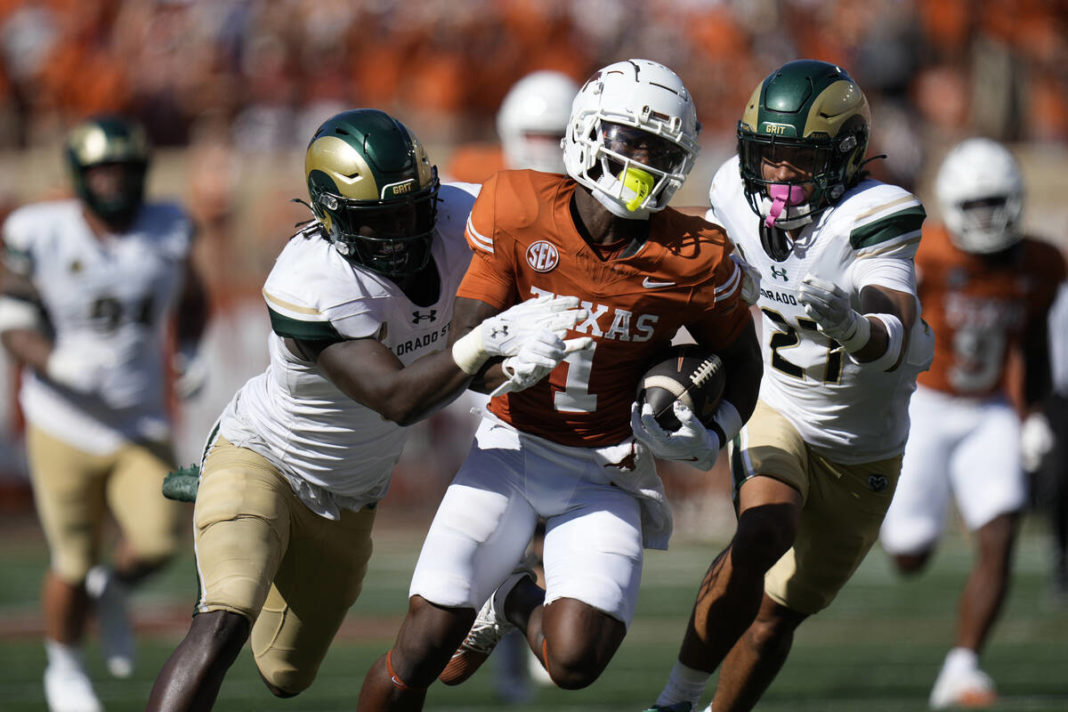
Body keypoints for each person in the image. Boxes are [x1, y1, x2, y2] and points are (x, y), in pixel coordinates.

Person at [144, 108, 587, 712]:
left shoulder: (467, 214)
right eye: (383, 220)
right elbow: (398, 398)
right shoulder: (311, 281)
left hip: (350, 496)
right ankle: (227, 500)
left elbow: (567, 224)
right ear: (332, 219)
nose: (406, 230)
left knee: (286, 675)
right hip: (267, 456)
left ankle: (496, 593)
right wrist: (489, 343)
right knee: (223, 619)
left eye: (414, 209)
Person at [356, 58, 763, 711]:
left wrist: (714, 431)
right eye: (630, 140)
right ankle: (494, 596)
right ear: (588, 132)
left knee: (575, 661)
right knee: (427, 644)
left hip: (605, 471)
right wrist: (510, 360)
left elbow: (742, 362)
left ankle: (512, 596)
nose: (641, 161)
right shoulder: (516, 206)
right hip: (511, 449)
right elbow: (467, 355)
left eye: (660, 149)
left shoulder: (696, 255)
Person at [644, 59, 935, 712]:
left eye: (796, 158)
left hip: (864, 447)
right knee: (762, 531)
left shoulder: (876, 212)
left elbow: (896, 322)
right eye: (766, 155)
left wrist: (855, 326)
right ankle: (674, 700)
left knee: (780, 614)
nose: (776, 173)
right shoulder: (730, 192)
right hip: (779, 407)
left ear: (844, 154)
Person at [0, 114, 210, 712]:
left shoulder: (170, 226)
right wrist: (56, 364)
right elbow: (12, 319)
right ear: (79, 175)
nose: (114, 182)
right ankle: (63, 668)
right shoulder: (39, 230)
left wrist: (190, 348)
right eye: (102, 171)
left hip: (138, 420)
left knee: (157, 543)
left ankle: (113, 590)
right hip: (61, 419)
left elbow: (193, 299)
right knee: (71, 557)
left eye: (124, 170)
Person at [878, 137, 1065, 709]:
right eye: (974, 204)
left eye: (994, 203)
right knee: (909, 552)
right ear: (954, 206)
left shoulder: (1041, 262)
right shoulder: (928, 255)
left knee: (1001, 529)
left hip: (988, 411)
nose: (986, 217)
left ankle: (963, 668)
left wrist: (1032, 411)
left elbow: (1032, 343)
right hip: (925, 406)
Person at [445, 69, 580, 184]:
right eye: (535, 136)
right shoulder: (472, 173)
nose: (544, 149)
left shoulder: (593, 184)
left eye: (557, 137)